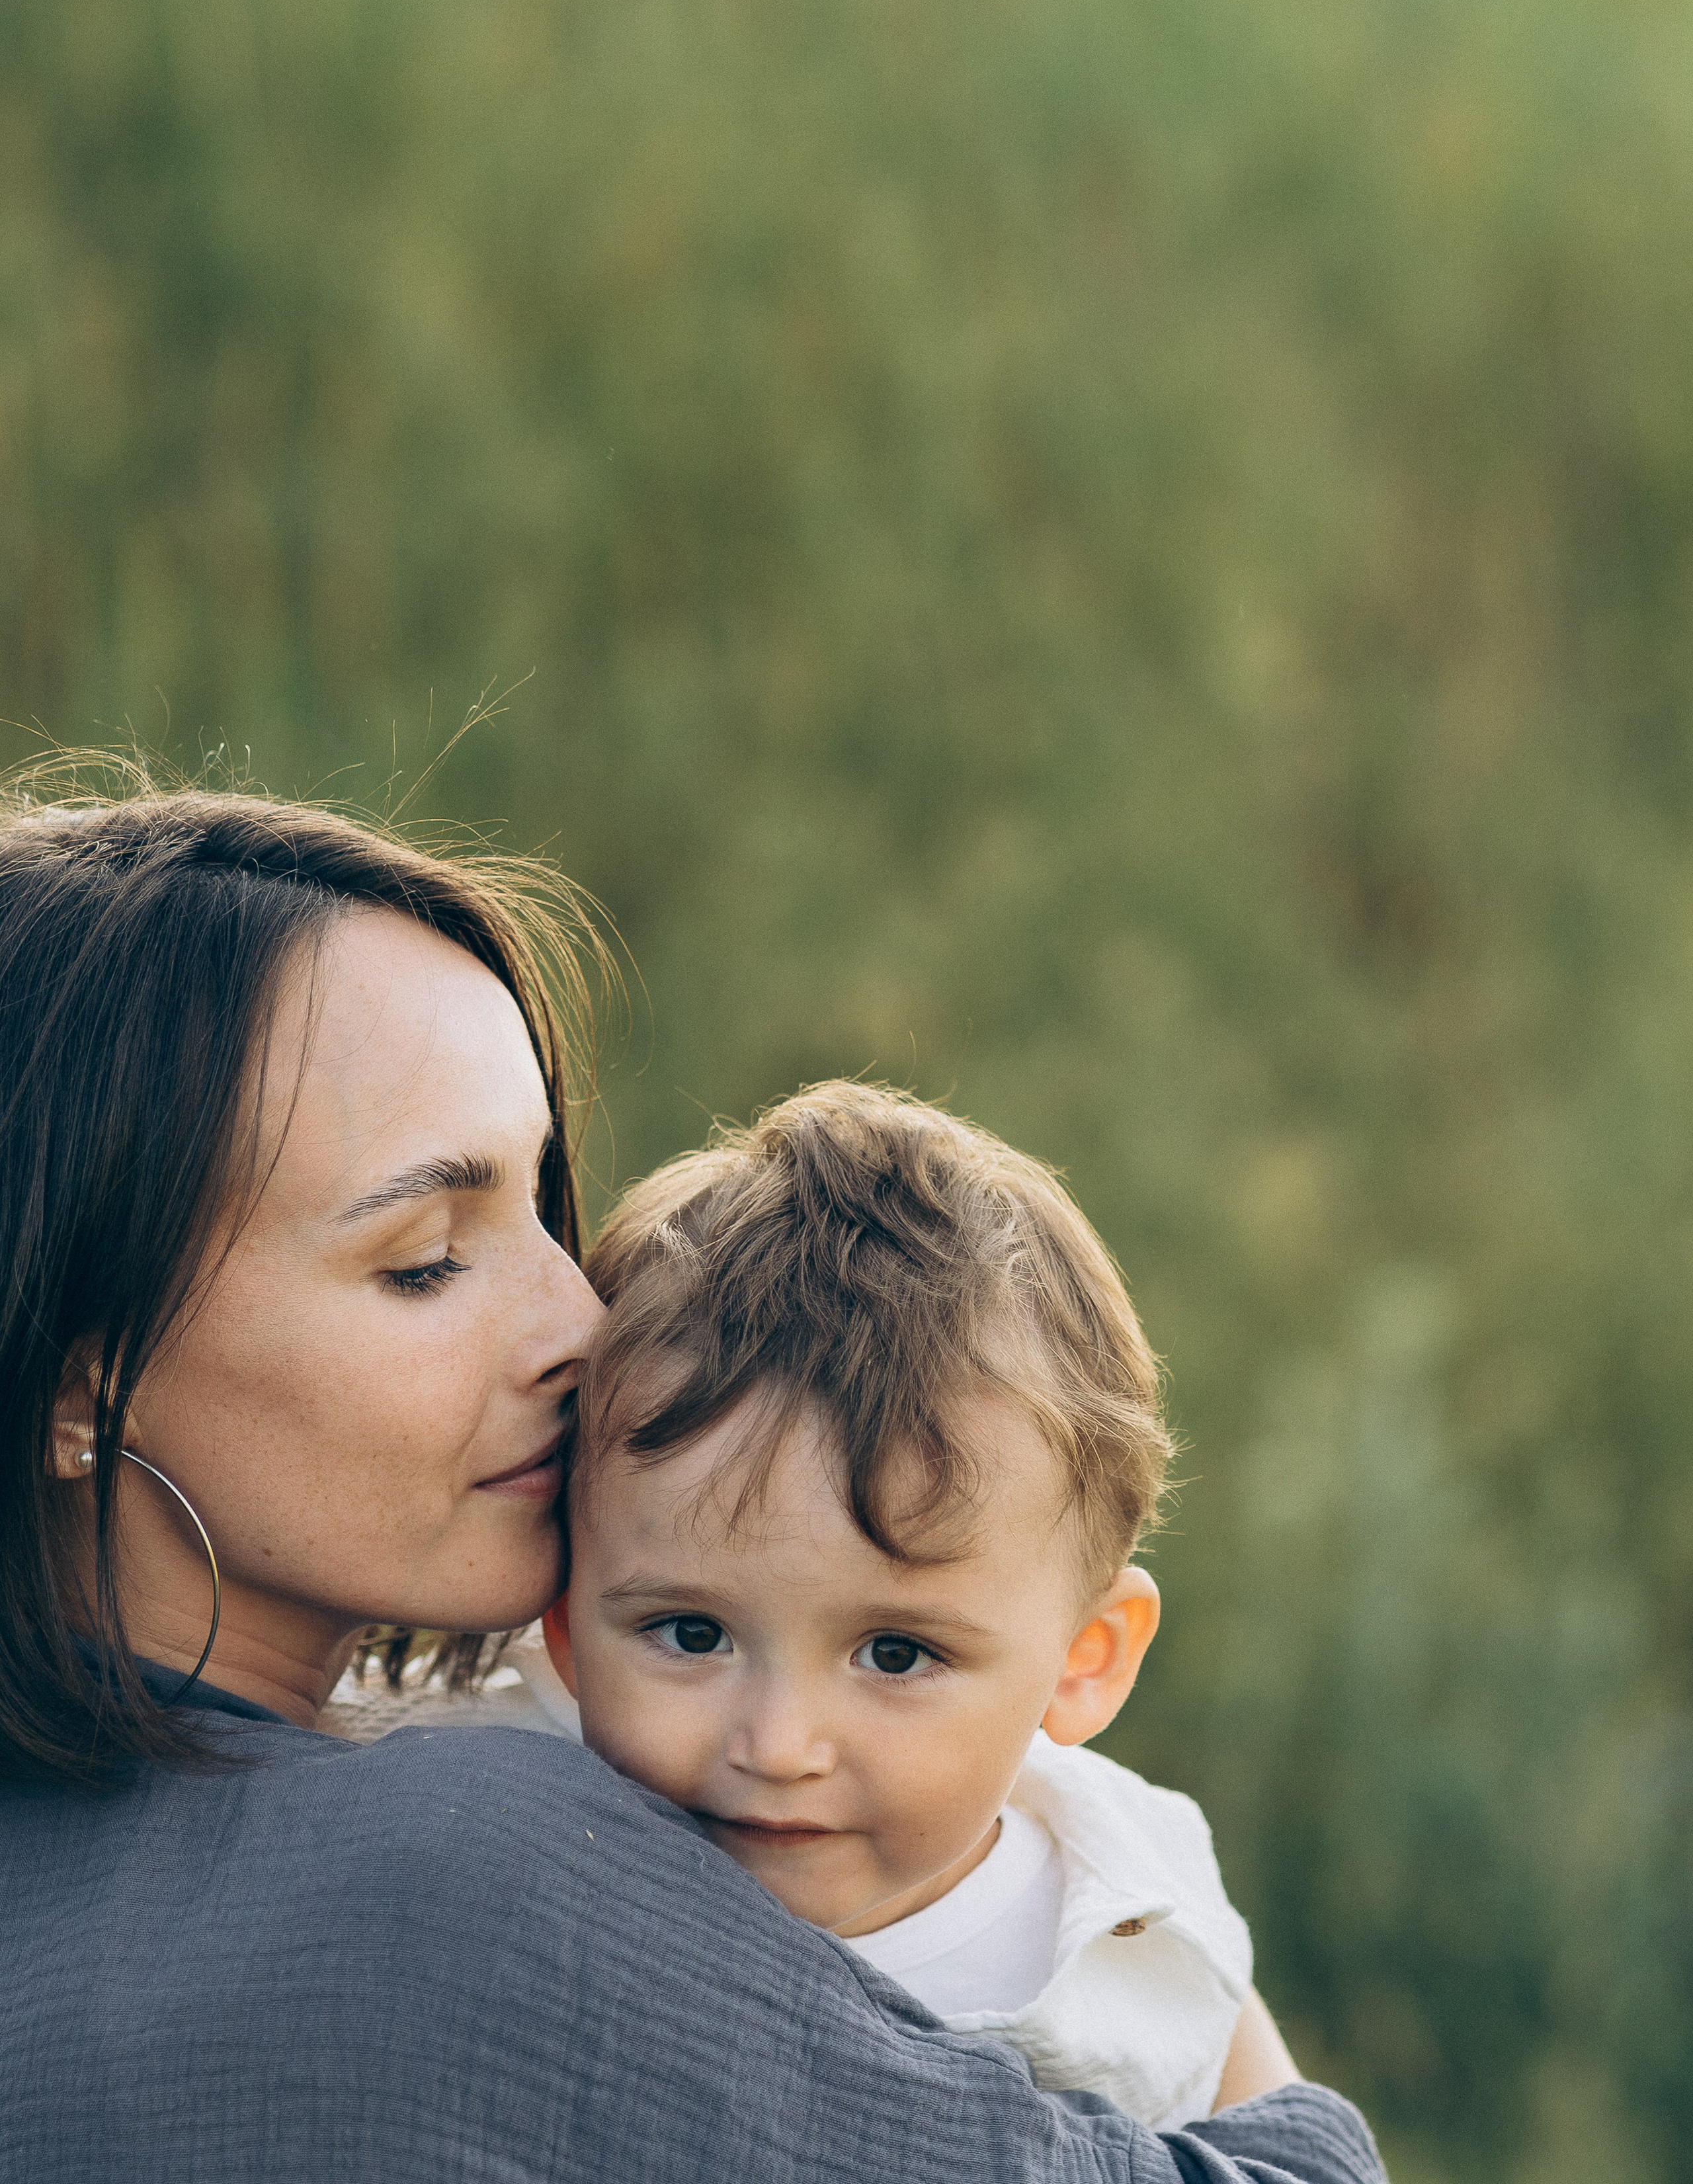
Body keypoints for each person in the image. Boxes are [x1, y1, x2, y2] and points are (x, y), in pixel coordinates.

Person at [0, 774, 1387, 2184]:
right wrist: (1160, 1925)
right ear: (76, 1384)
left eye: (543, 1209)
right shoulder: (457, 1880)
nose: (577, 1326)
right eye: (423, 1259)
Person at [544, 1082, 1270, 2127]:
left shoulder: (1132, 1927)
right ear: (564, 1628)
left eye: (895, 1654)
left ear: (1086, 1658)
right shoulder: (491, 1785)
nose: (781, 1745)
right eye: (692, 1635)